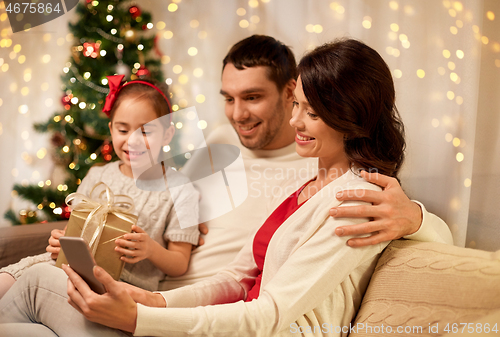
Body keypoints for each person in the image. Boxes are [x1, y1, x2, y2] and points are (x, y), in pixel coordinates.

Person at [1, 38, 431, 336]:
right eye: (228, 97)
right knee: (30, 298)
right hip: (174, 306)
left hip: (213, 324)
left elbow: (269, 313)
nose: (237, 114)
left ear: (349, 116)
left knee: (38, 285)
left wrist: (416, 217)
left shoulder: (353, 197)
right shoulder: (284, 170)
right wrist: (146, 301)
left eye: (311, 112)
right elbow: (234, 271)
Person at [0, 75, 200, 297]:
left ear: (167, 135)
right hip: (73, 269)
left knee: (37, 284)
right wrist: (61, 242)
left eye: (145, 132)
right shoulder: (97, 175)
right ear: (111, 128)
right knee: (12, 278)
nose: (132, 141)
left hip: (122, 288)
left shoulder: (181, 190)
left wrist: (151, 250)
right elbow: (74, 231)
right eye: (123, 130)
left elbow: (180, 262)